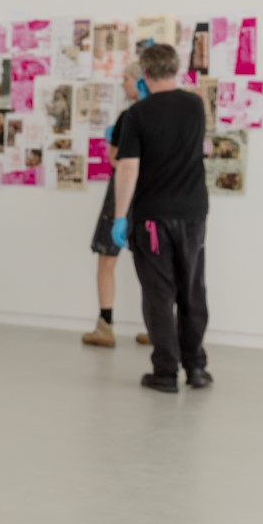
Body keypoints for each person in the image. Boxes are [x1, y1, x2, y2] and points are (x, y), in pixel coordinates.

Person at [112, 43, 213, 393]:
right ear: (175, 69)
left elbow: (127, 169)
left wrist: (119, 217)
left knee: (159, 294)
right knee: (192, 290)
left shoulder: (138, 114)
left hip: (154, 217)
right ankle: (196, 367)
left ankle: (166, 372)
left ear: (145, 74)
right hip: (193, 214)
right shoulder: (195, 105)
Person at [82, 61, 152, 348]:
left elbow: (117, 160)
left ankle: (105, 325)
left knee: (107, 258)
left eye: (125, 79)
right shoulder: (164, 115)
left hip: (123, 193)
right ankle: (158, 325)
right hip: (151, 193)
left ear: (139, 81)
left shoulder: (131, 116)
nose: (122, 84)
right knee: (153, 263)